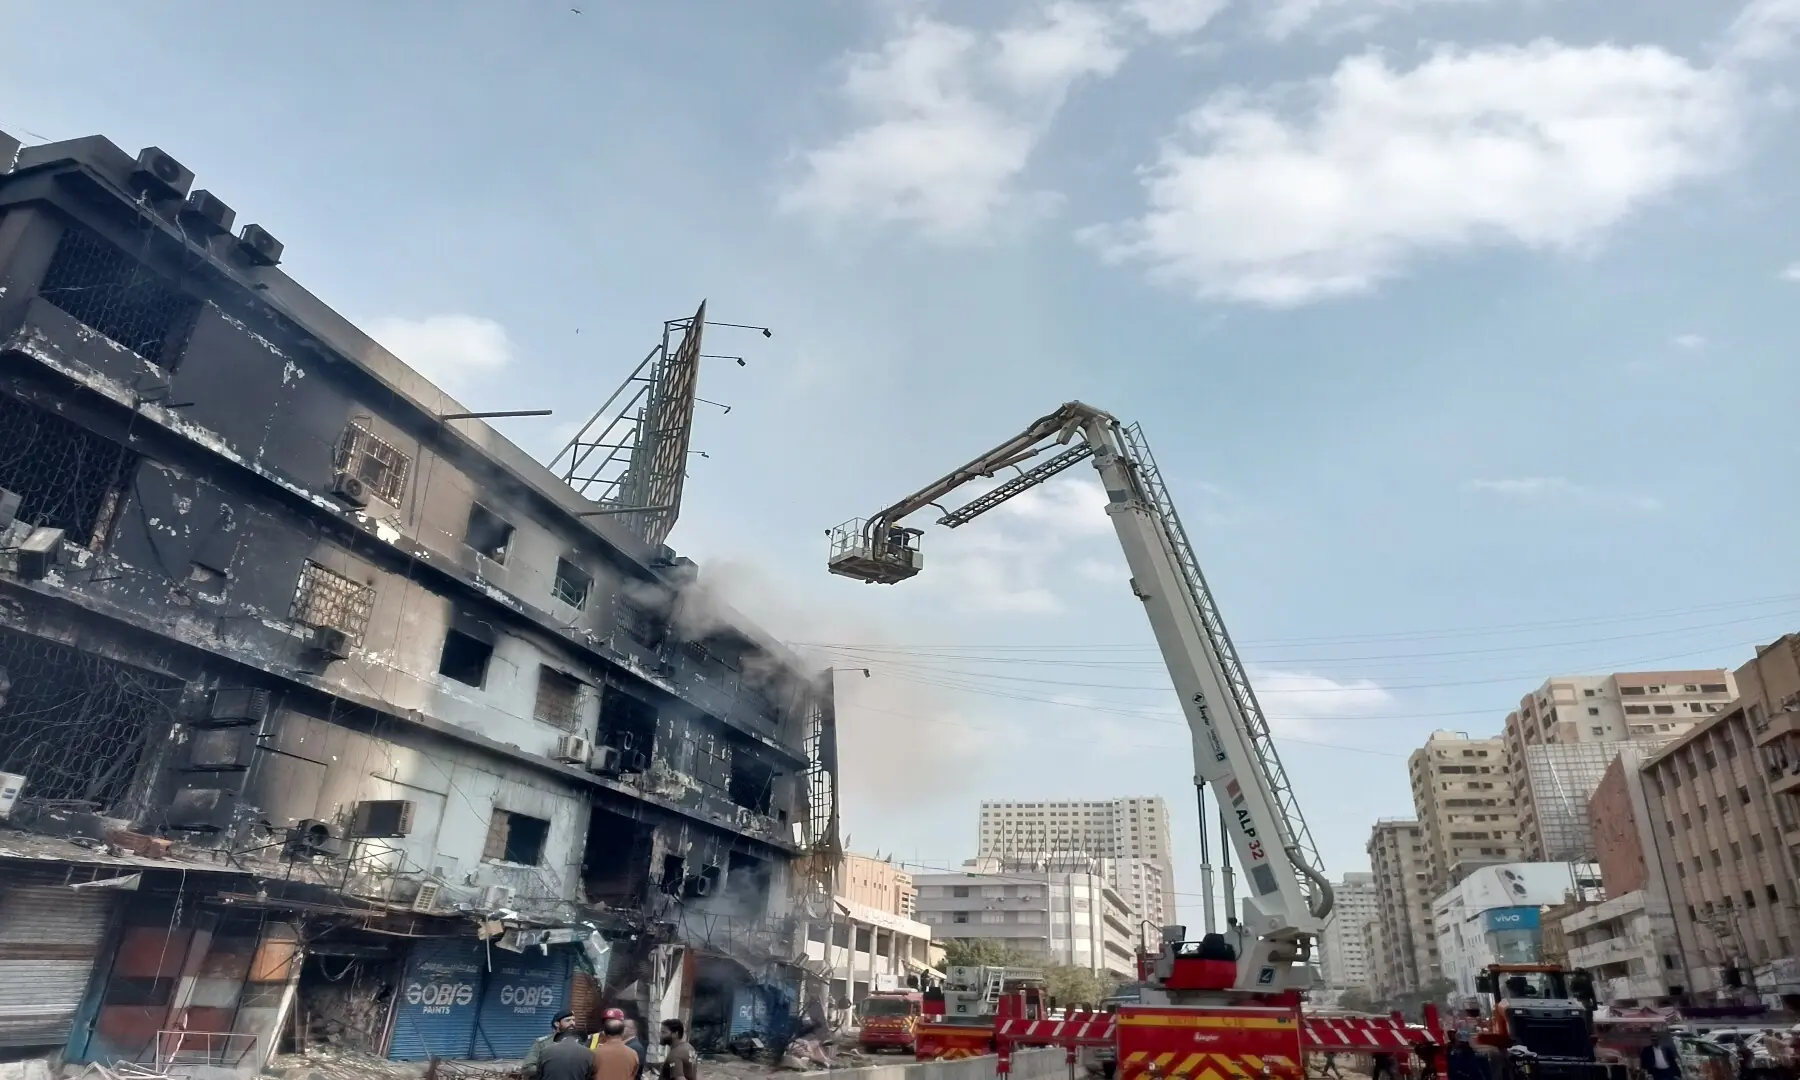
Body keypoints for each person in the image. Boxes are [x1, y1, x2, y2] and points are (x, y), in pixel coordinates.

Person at [524, 1012, 581, 1079]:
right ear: (557, 1024)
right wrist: (551, 1067)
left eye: (573, 1020)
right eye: (568, 1020)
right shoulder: (542, 1043)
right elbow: (527, 1068)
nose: (572, 1023)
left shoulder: (580, 1043)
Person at [593, 1016, 640, 1080]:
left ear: (604, 1033)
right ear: (623, 1033)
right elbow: (633, 1074)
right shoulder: (633, 1054)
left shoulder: (595, 1054)